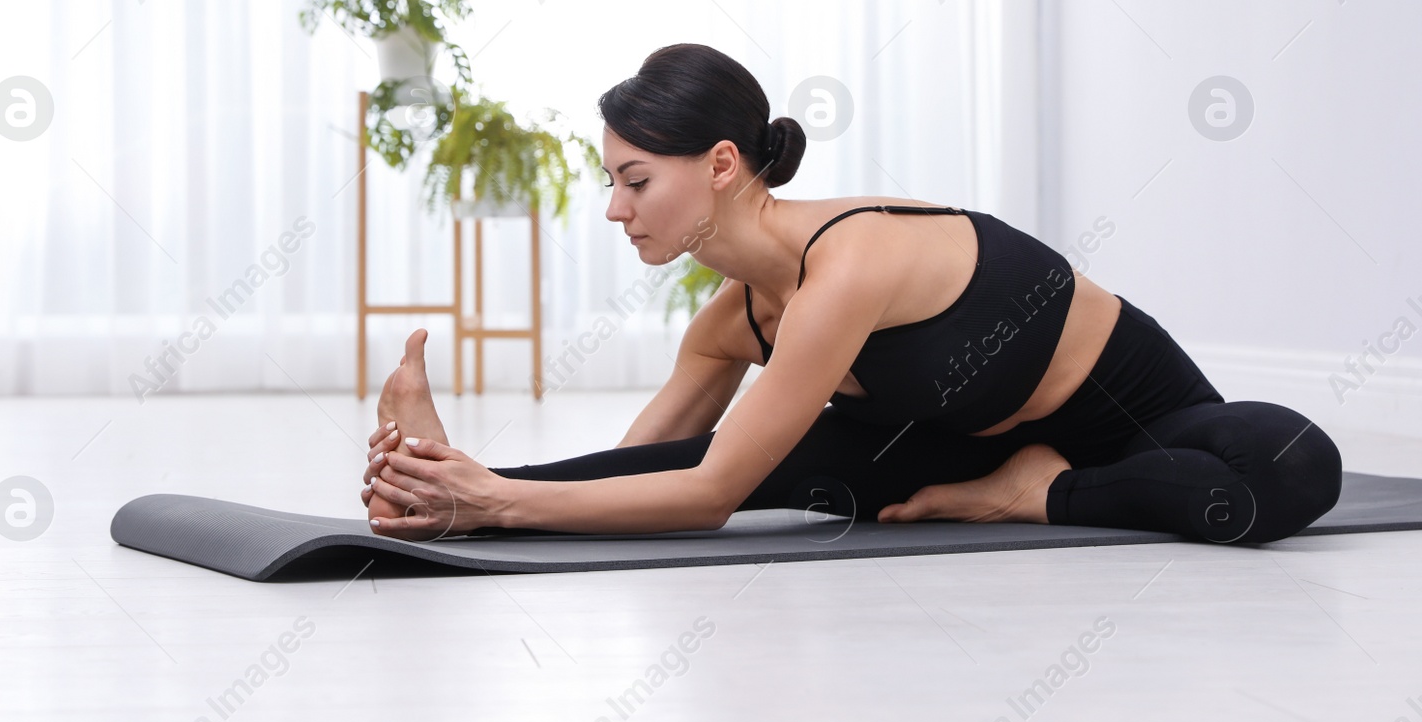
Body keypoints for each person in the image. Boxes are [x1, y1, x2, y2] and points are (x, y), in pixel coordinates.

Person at [360, 43, 1342, 545]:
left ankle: (1037, 492)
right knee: (777, 463)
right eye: (609, 181)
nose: (615, 210)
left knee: (1291, 472)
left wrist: (497, 500)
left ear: (721, 164)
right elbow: (655, 470)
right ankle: (457, 487)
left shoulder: (850, 262)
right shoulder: (731, 319)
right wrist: (460, 488)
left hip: (1137, 418)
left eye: (634, 180)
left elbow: (704, 502)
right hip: (950, 443)